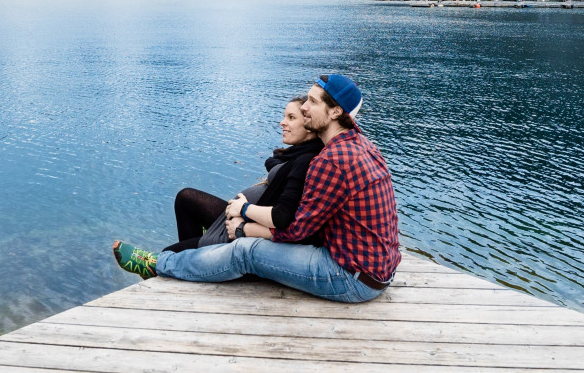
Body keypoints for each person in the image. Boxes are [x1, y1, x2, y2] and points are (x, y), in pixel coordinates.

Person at [113, 74, 400, 303]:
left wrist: (243, 227)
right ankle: (184, 265)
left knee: (245, 252)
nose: (303, 107)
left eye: (312, 102)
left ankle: (158, 264)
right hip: (374, 269)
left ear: (336, 111)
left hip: (349, 277)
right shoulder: (360, 145)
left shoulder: (332, 160)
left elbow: (295, 229)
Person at [161, 96, 324, 253]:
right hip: (243, 217)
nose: (282, 122)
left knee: (170, 253)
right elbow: (275, 164)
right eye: (284, 116)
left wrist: (244, 210)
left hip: (244, 226)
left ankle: (196, 257)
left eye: (291, 117)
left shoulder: (305, 161)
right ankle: (196, 259)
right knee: (186, 199)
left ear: (310, 125)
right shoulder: (296, 155)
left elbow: (283, 216)